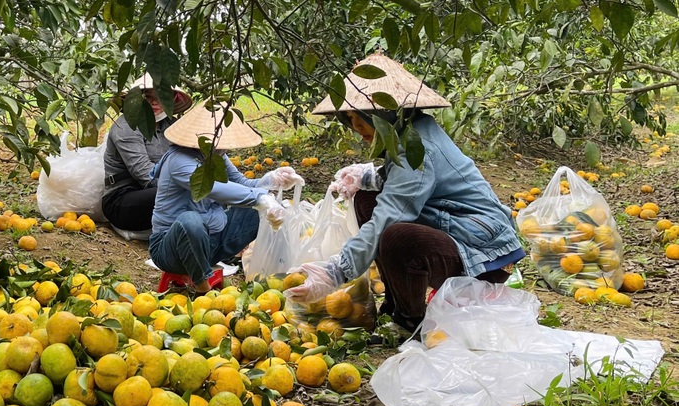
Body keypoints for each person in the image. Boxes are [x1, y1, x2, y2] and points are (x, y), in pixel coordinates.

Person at [289, 53, 525, 333]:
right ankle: (398, 302)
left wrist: (337, 270)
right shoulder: (408, 131)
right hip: (459, 230)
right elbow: (408, 184)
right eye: (349, 118)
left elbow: (393, 212)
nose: (356, 127)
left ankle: (410, 320)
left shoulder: (418, 146)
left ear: (383, 113)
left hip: (482, 252)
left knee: (395, 235)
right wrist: (369, 177)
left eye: (360, 117)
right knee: (366, 200)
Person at [148, 102, 303, 292]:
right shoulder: (179, 160)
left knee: (258, 211)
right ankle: (203, 289)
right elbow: (215, 188)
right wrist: (260, 198)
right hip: (172, 249)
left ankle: (283, 276)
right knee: (189, 221)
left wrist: (271, 181)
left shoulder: (217, 154)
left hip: (211, 243)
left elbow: (242, 184)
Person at [102, 75, 193, 235]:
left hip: (160, 192)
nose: (155, 102)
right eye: (149, 97)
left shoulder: (172, 127)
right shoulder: (127, 126)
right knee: (186, 193)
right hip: (123, 198)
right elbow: (145, 174)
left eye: (161, 97)